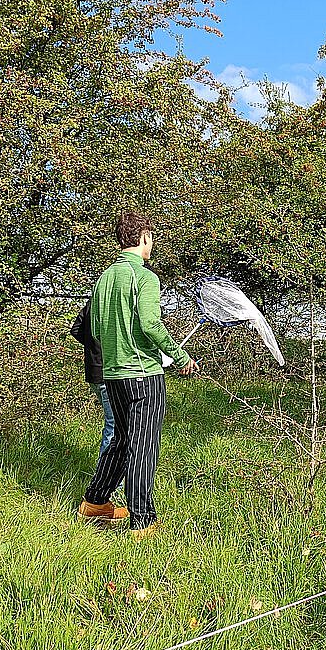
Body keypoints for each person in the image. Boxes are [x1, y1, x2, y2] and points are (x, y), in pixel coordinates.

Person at [76, 211, 198, 536]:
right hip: (143, 376)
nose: (151, 243)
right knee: (143, 446)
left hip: (113, 375)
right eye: (151, 237)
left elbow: (95, 330)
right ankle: (143, 521)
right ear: (144, 237)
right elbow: (150, 324)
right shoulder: (145, 277)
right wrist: (180, 356)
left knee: (120, 440)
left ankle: (95, 503)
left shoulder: (104, 278)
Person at [69, 300, 114, 457]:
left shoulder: (92, 301)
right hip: (109, 373)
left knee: (114, 423)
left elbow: (76, 329)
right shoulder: (113, 302)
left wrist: (93, 347)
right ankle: (107, 471)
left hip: (93, 371)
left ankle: (115, 468)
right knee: (114, 425)